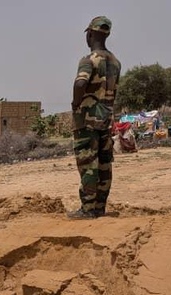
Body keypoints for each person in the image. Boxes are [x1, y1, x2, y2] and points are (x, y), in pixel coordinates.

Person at [68, 16, 122, 219]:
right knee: (104, 164)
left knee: (88, 163)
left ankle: (88, 209)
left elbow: (80, 83)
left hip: (87, 120)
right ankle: (100, 207)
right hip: (106, 119)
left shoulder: (89, 60)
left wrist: (76, 104)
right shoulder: (115, 62)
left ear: (90, 34)